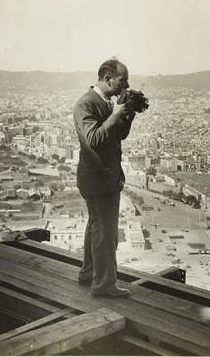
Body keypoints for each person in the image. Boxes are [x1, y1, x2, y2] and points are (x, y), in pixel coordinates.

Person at [73, 58, 136, 297]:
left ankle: (88, 274)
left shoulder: (105, 102)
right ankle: (104, 285)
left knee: (96, 228)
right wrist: (115, 114)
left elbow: (118, 135)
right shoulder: (86, 104)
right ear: (108, 79)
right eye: (122, 80)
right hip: (97, 179)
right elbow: (94, 140)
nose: (126, 86)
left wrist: (127, 114)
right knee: (107, 234)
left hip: (102, 178)